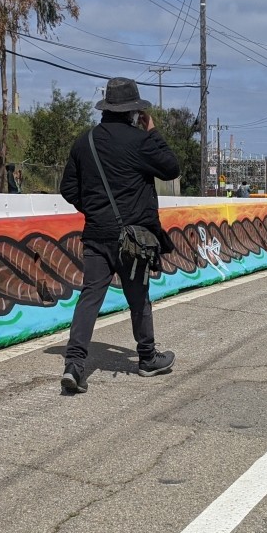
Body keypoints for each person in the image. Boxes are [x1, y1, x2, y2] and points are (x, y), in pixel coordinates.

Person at [58, 77, 180, 393]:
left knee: (90, 296)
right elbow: (171, 169)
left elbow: (68, 188)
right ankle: (147, 358)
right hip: (134, 239)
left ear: (106, 109)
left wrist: (95, 211)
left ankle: (74, 364)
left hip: (97, 235)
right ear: (133, 111)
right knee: (138, 299)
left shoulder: (84, 142)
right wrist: (151, 129)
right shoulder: (140, 141)